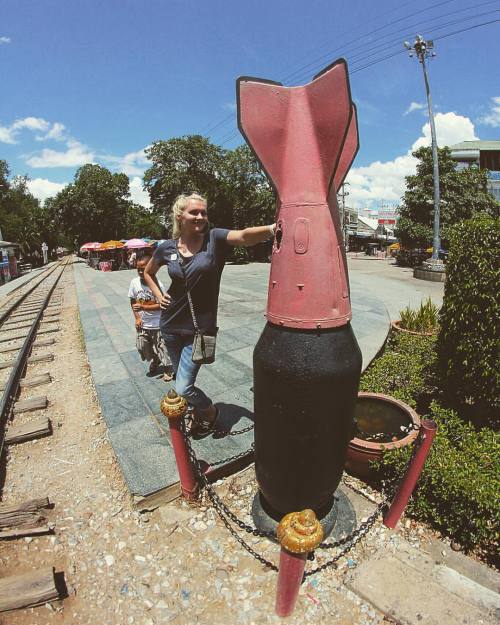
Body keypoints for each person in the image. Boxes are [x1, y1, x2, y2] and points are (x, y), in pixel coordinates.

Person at [144, 192, 275, 436]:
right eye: (194, 212)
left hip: (201, 331)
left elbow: (245, 236)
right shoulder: (167, 248)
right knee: (181, 379)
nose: (201, 216)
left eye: (204, 212)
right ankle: (197, 411)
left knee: (183, 387)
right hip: (170, 325)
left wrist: (272, 228)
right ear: (179, 216)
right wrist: (158, 294)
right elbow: (148, 272)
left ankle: (209, 412)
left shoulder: (214, 239)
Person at [129, 251, 173, 381]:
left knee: (162, 347)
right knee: (142, 346)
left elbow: (162, 305)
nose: (141, 272)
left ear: (151, 268)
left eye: (143, 269)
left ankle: (168, 369)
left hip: (157, 323)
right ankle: (155, 359)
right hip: (143, 323)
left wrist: (144, 307)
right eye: (138, 270)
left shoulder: (158, 285)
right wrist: (137, 317)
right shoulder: (134, 283)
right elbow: (132, 300)